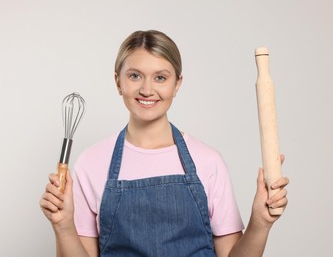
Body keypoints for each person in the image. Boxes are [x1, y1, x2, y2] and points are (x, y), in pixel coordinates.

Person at [40, 30, 289, 257]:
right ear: (118, 81)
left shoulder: (208, 162)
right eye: (135, 76)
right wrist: (63, 227)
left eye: (160, 78)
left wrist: (260, 223)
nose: (147, 89)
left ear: (177, 84)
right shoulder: (91, 163)